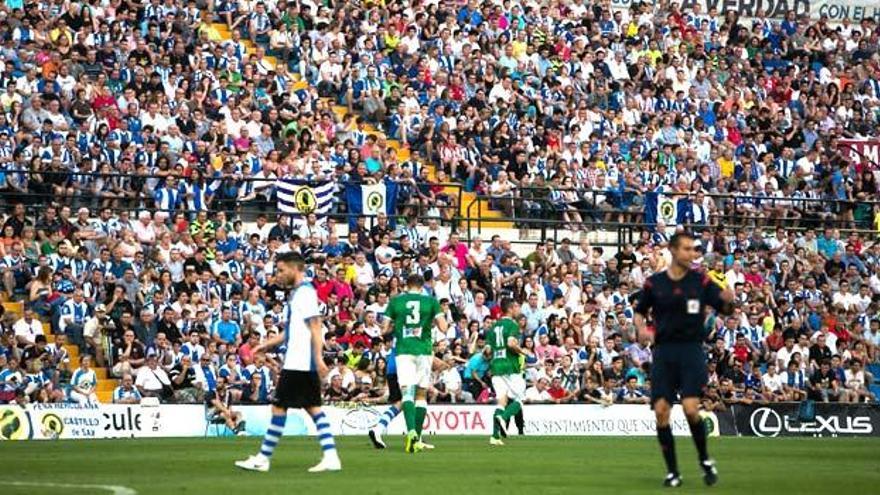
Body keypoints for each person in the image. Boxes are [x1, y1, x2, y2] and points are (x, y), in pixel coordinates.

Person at [634, 232, 734, 488]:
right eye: (687, 249)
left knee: (691, 409)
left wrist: (729, 300)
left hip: (691, 350)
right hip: (664, 352)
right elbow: (639, 311)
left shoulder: (700, 281)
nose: (692, 254)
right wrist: (641, 329)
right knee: (661, 412)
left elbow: (724, 307)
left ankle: (704, 460)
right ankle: (673, 472)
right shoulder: (654, 283)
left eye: (694, 250)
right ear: (674, 251)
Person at [235, 252, 341, 473]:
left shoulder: (304, 293)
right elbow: (291, 331)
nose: (278, 275)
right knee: (313, 408)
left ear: (295, 269)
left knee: (279, 406)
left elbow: (315, 326)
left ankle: (263, 458)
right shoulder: (299, 294)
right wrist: (267, 344)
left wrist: (319, 357)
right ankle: (330, 455)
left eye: (282, 270)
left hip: (300, 362)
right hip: (300, 362)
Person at [380, 273, 447, 453]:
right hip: (424, 351)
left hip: (403, 351)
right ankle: (417, 438)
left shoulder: (395, 301)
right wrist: (431, 320)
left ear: (406, 285)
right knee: (421, 395)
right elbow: (444, 327)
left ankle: (411, 433)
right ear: (422, 285)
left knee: (407, 392)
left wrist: (398, 325)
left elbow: (384, 329)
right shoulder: (431, 301)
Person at [486, 297, 525, 446]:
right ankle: (504, 417)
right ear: (510, 308)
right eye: (516, 307)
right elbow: (510, 343)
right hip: (510, 366)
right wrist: (523, 353)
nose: (517, 310)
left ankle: (495, 436)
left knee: (501, 401)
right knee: (519, 399)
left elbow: (487, 351)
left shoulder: (494, 327)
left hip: (496, 367)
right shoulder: (513, 325)